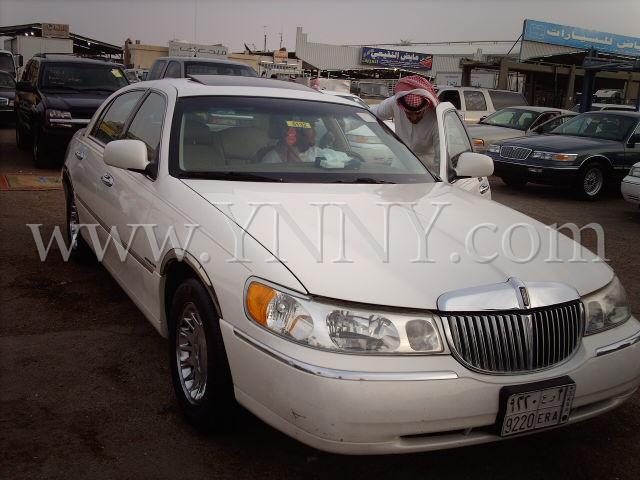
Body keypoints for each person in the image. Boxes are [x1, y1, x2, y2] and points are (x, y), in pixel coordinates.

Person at [371, 75, 440, 170]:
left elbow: (440, 158)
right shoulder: (395, 102)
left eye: (418, 113)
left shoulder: (435, 118)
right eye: (408, 113)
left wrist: (436, 177)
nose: (413, 117)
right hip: (399, 166)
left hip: (427, 171)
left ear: (426, 107)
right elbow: (371, 115)